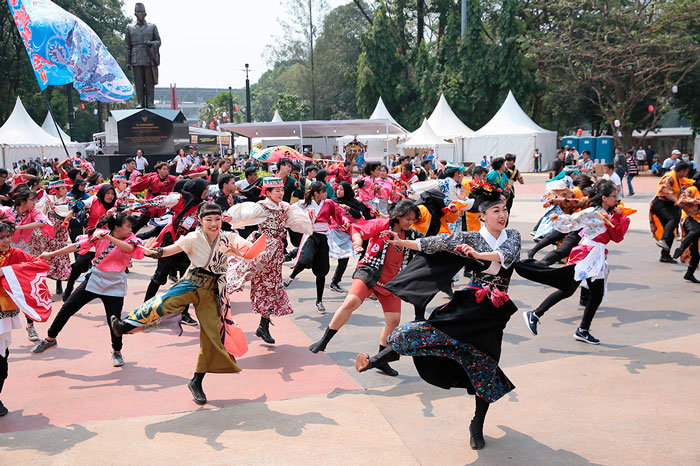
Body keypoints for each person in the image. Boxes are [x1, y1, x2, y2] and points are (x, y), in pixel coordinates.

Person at [357, 182, 521, 450]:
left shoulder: (512, 235)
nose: (502, 215)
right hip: (469, 303)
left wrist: (478, 255)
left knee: (486, 367)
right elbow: (435, 243)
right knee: (421, 331)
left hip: (494, 311)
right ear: (482, 215)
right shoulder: (470, 236)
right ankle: (379, 357)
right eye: (495, 210)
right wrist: (402, 241)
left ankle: (476, 424)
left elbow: (506, 257)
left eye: (504, 210)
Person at [111, 203, 253, 404]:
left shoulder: (229, 237)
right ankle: (124, 325)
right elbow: (166, 251)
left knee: (213, 337)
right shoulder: (192, 238)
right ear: (200, 220)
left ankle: (196, 380)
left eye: (217, 219)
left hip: (214, 291)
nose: (213, 224)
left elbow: (250, 251)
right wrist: (150, 251)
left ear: (223, 219)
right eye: (209, 220)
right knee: (163, 302)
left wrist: (240, 251)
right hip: (191, 283)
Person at [308, 200, 422, 377]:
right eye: (408, 218)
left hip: (392, 281)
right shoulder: (382, 224)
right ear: (398, 216)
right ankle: (324, 341)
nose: (410, 222)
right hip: (370, 271)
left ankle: (381, 361)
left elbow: (424, 247)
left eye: (413, 219)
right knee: (351, 302)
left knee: (393, 321)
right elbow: (357, 230)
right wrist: (357, 243)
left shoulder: (412, 234)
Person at [523, 179, 630, 345]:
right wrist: (557, 219)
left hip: (597, 255)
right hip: (586, 254)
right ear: (604, 197)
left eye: (617, 196)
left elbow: (616, 237)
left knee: (596, 295)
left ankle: (583, 330)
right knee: (568, 289)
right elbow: (572, 221)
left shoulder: (609, 213)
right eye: (614, 196)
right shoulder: (592, 213)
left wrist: (618, 217)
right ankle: (535, 314)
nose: (617, 199)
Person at [32, 213, 145, 367]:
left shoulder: (130, 239)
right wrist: (51, 254)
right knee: (67, 307)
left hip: (115, 285)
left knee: (114, 322)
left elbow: (129, 248)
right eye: (128, 226)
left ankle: (117, 352)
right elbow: (77, 246)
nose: (131, 229)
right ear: (117, 227)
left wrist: (109, 238)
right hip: (95, 280)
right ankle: (50, 339)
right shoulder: (98, 235)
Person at [225, 177, 313, 344]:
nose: (281, 193)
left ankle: (263, 326)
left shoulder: (286, 207)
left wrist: (308, 220)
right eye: (277, 191)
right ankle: (221, 291)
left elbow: (299, 223)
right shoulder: (261, 206)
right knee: (245, 271)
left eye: (282, 190)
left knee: (271, 286)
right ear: (268, 192)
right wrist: (230, 217)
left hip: (276, 251)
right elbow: (243, 213)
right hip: (262, 245)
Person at [0, 221, 52, 416]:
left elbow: (41, 264)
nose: (6, 241)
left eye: (7, 237)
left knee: (2, 359)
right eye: (1, 238)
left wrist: (7, 271)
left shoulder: (15, 254)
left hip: (3, 313)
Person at [284, 182, 350, 313]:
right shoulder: (304, 204)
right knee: (305, 259)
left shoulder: (329, 203)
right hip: (311, 235)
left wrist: (345, 222)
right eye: (324, 192)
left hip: (324, 237)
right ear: (316, 193)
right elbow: (290, 210)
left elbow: (338, 214)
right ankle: (291, 276)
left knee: (321, 272)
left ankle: (319, 301)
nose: (326, 194)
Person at [650, 162, 692, 263]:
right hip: (660, 203)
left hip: (667, 204)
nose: (686, 173)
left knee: (670, 230)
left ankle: (665, 256)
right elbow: (664, 191)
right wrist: (676, 200)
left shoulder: (678, 178)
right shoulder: (669, 177)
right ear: (682, 170)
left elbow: (688, 182)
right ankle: (663, 240)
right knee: (673, 219)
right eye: (686, 171)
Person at [674, 173, 700, 282]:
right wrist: (692, 201)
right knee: (696, 230)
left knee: (697, 251)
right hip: (688, 218)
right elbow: (680, 201)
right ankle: (681, 248)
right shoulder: (692, 190)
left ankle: (689, 274)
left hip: (699, 221)